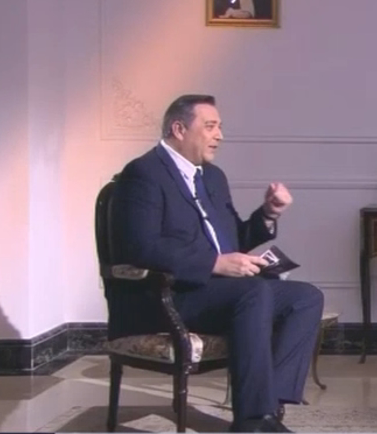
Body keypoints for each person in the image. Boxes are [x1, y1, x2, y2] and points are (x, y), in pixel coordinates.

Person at [109, 94, 322, 433]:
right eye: (210, 127)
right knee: (254, 293)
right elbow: (140, 247)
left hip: (218, 291)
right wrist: (215, 264)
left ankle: (269, 407)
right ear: (179, 128)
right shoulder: (143, 174)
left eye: (220, 127)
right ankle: (251, 422)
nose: (219, 135)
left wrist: (268, 213)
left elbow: (231, 241)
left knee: (305, 298)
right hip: (170, 294)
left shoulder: (213, 177)